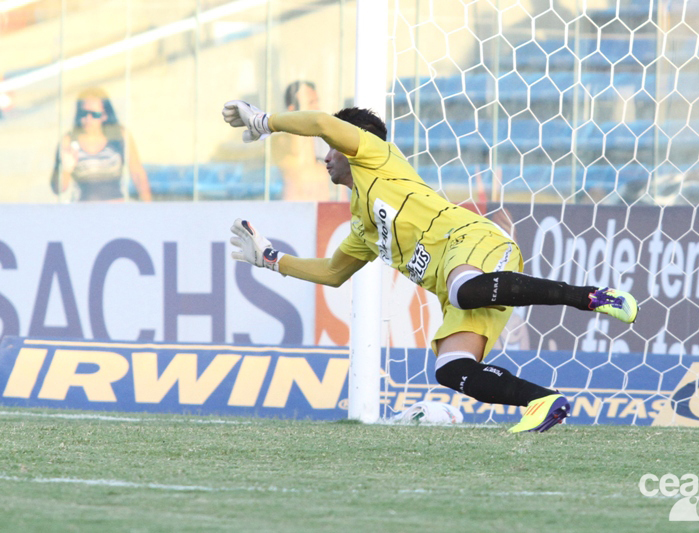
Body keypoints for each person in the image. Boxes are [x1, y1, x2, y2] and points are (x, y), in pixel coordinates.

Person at [221, 99, 639, 433]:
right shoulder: (362, 225)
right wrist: (272, 260)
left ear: (350, 143)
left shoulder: (376, 156)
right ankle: (543, 401)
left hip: (472, 243)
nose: (325, 157)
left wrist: (264, 121)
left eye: (330, 148)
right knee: (450, 368)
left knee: (462, 289)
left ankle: (592, 296)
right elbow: (333, 273)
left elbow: (319, 122)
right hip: (461, 288)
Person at [52, 87, 151, 202]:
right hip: (83, 210)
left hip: (116, 208)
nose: (88, 118)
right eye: (84, 113)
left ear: (105, 115)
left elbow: (137, 174)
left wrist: (149, 207)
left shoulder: (119, 136)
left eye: (95, 114)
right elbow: (58, 189)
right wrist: (66, 168)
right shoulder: (69, 141)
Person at [270, 81, 332, 201]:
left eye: (317, 102)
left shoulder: (323, 143)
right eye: (310, 103)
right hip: (294, 205)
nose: (317, 108)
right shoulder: (281, 141)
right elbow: (296, 149)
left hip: (321, 205)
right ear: (292, 109)